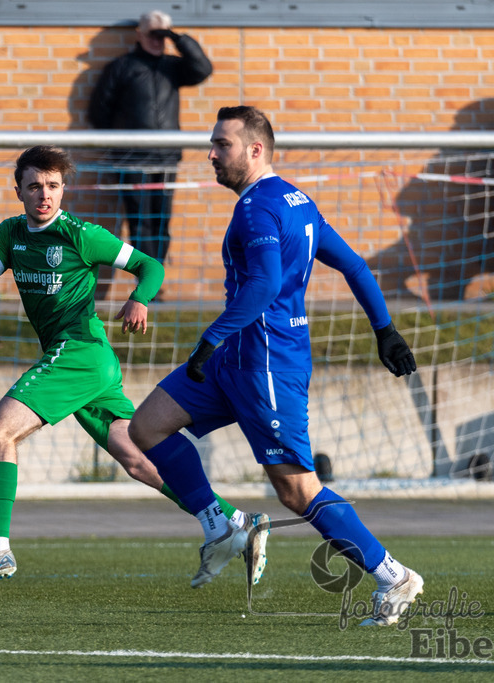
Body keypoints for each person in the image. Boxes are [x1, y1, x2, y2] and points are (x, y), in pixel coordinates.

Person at [127, 107, 424, 626]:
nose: (212, 154)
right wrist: (384, 329)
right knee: (147, 426)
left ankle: (392, 575)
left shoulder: (258, 208)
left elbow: (264, 285)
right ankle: (221, 524)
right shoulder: (296, 199)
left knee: (296, 490)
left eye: (222, 144)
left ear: (255, 150)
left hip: (265, 362)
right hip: (235, 361)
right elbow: (353, 264)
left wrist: (209, 338)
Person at [0, 145, 269, 587]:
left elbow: (149, 266)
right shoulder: (9, 233)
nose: (44, 195)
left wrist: (140, 298)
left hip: (79, 351)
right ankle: (238, 522)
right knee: (136, 460)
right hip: (86, 363)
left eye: (53, 186)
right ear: (17, 189)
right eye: (35, 186)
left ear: (63, 189)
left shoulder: (80, 234)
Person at [86, 9, 213, 265]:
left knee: (161, 221)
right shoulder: (122, 67)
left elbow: (203, 68)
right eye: (152, 35)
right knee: (140, 223)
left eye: (162, 36)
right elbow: (98, 112)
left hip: (166, 158)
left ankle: (157, 276)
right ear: (139, 35)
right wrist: (122, 143)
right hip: (132, 159)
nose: (157, 41)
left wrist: (177, 38)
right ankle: (146, 278)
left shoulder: (173, 67)